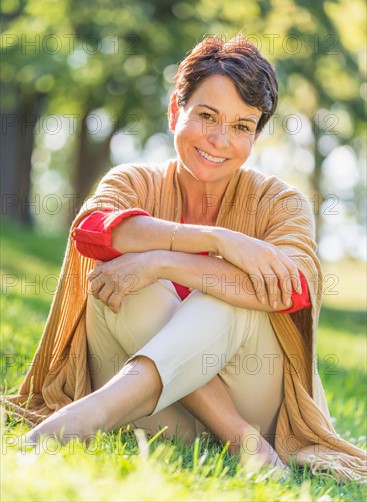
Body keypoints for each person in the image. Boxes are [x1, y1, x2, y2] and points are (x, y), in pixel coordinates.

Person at [7, 36, 366, 481]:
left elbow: (292, 289)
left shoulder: (281, 202)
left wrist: (162, 262)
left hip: (252, 403)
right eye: (207, 116)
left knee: (228, 291)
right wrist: (215, 240)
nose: (219, 139)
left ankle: (81, 420)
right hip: (159, 417)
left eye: (241, 126)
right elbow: (92, 232)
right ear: (176, 111)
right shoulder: (134, 180)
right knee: (117, 274)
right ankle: (239, 442)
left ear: (255, 134)